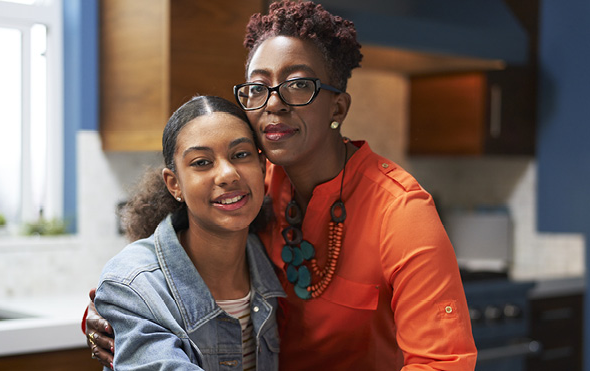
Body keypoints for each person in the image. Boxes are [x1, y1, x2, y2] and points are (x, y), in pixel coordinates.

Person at [86, 2, 477, 370]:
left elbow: (443, 362)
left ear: (338, 108)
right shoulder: (251, 190)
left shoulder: (402, 212)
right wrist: (110, 313)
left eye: (298, 84)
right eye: (258, 87)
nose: (275, 103)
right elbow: (167, 266)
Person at [92, 95, 285, 370]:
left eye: (241, 155)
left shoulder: (275, 259)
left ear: (262, 165)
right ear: (175, 185)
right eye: (201, 162)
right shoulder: (133, 284)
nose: (228, 174)